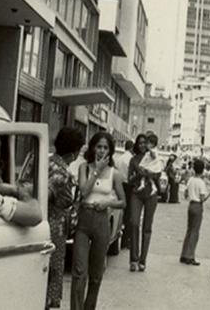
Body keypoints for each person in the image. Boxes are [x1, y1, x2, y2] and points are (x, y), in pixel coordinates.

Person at [71, 131, 125, 310]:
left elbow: (122, 202)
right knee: (79, 271)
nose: (101, 150)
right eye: (99, 146)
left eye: (105, 148)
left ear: (110, 151)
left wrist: (107, 203)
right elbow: (84, 192)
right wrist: (97, 171)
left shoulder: (114, 174)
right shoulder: (84, 168)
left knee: (96, 273)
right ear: (93, 148)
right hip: (84, 219)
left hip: (102, 220)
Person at [46, 127, 84, 309]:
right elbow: (61, 200)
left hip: (38, 221)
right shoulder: (62, 174)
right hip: (55, 225)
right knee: (53, 267)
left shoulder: (42, 161)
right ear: (74, 152)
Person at [127, 134, 161, 271]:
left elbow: (158, 174)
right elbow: (129, 179)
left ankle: (143, 260)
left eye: (144, 142)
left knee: (147, 227)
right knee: (134, 223)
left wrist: (150, 174)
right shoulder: (133, 160)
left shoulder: (154, 157)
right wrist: (139, 175)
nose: (142, 145)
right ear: (136, 144)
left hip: (151, 194)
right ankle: (133, 259)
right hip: (136, 193)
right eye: (139, 143)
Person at [180, 158, 210, 265]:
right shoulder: (201, 183)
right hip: (198, 205)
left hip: (191, 204)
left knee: (189, 230)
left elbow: (185, 194)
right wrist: (209, 195)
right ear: (202, 170)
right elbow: (202, 199)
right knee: (195, 232)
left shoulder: (190, 180)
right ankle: (190, 256)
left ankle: (184, 254)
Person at [114, 140, 134, 250]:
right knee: (128, 214)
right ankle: (125, 241)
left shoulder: (119, 158)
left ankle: (117, 234)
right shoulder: (131, 159)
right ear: (131, 148)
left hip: (118, 185)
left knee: (119, 211)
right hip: (128, 186)